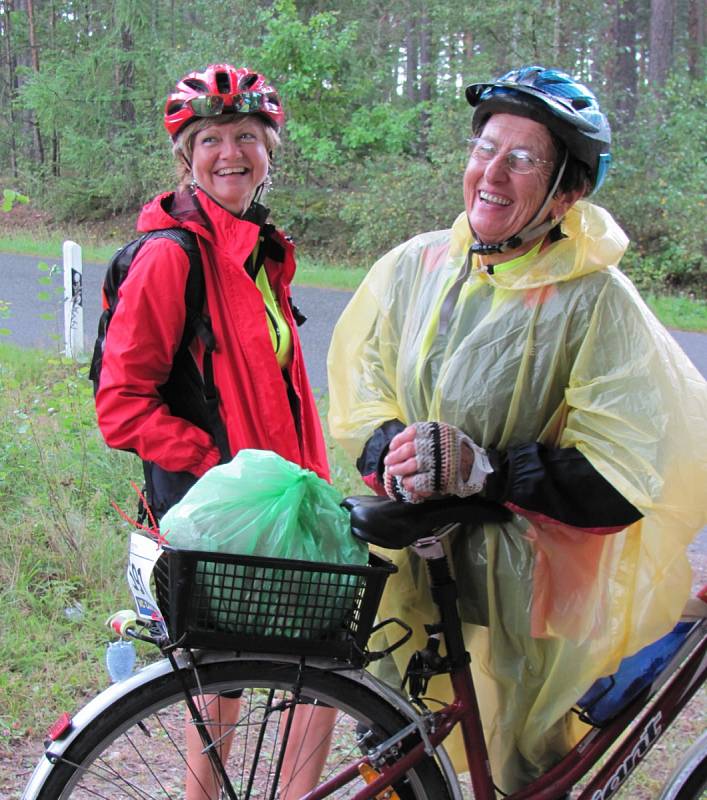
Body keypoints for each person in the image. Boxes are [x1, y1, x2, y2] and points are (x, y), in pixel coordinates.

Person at [327, 65, 707, 793]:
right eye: (483, 149)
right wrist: (391, 450)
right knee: (402, 743)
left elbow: (624, 477)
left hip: (530, 582)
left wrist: (487, 471)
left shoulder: (597, 301)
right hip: (423, 563)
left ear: (569, 191)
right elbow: (359, 384)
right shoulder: (417, 265)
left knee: (524, 768)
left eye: (522, 158)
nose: (490, 173)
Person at [95, 63, 335, 800]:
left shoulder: (257, 253)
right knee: (283, 678)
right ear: (185, 157)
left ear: (270, 152)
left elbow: (278, 395)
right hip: (222, 508)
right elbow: (122, 404)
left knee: (285, 677)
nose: (229, 153)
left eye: (245, 137)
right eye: (209, 140)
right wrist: (219, 468)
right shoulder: (172, 256)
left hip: (276, 508)